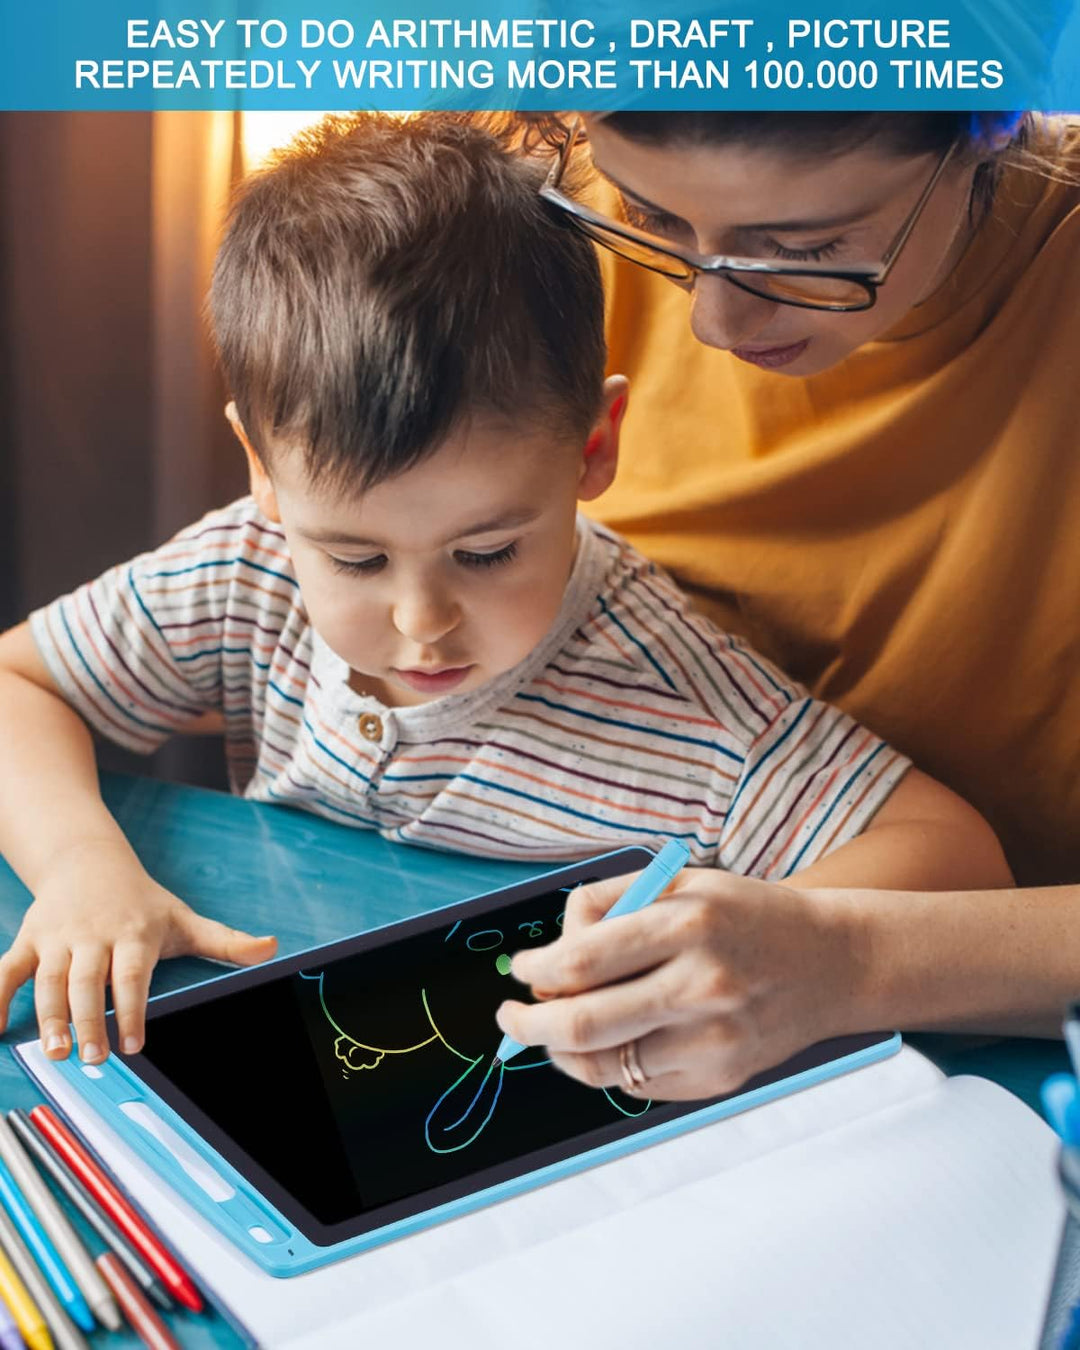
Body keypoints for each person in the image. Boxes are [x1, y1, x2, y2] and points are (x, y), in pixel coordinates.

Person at [0, 112, 1009, 1074]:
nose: (421, 622)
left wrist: (742, 940)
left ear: (593, 449)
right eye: (356, 560)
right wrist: (83, 864)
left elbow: (954, 857)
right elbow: (16, 684)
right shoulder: (249, 567)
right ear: (262, 466)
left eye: (485, 553)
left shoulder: (685, 700)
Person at [492, 110, 1080, 1101]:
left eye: (804, 249)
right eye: (653, 215)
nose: (714, 325)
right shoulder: (552, 211)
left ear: (987, 126)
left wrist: (852, 961)